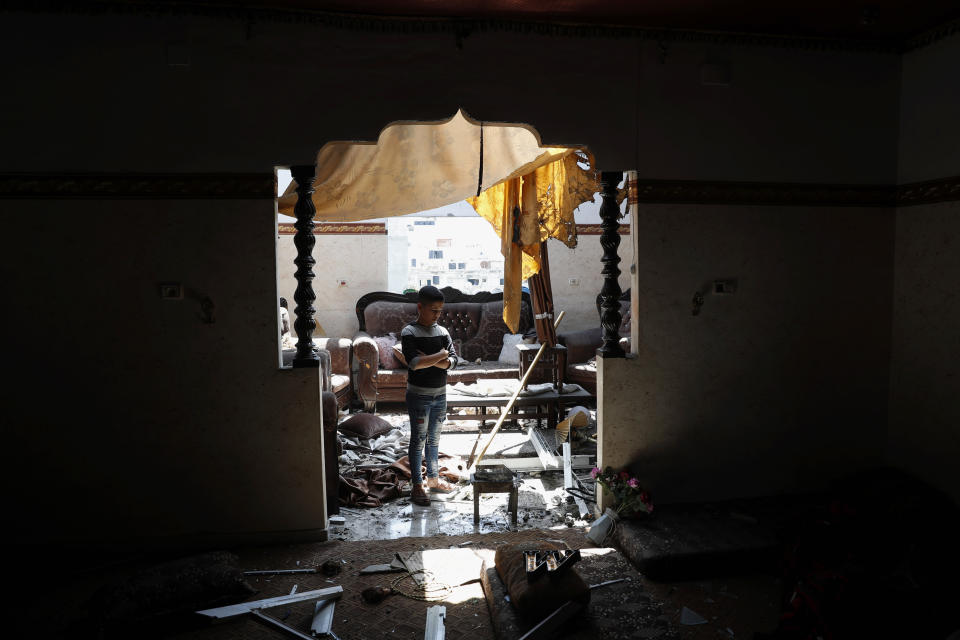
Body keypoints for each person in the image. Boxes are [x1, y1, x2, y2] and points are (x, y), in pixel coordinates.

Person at [401, 286, 460, 506]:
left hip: (440, 395)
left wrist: (433, 359)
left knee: (434, 440)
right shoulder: (409, 332)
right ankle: (418, 486)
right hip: (419, 396)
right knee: (418, 440)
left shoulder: (443, 332)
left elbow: (453, 361)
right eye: (433, 310)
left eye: (440, 310)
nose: (437, 314)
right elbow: (414, 364)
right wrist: (441, 356)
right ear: (420, 307)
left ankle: (433, 480)